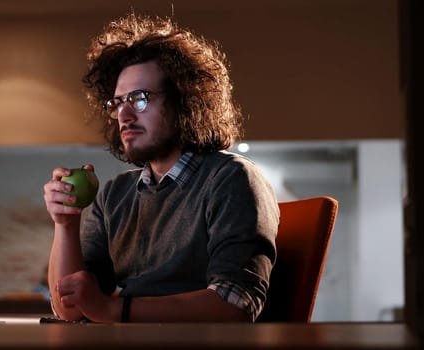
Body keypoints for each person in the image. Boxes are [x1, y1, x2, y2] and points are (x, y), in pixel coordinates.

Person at [43, 12, 279, 323]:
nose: (124, 115)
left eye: (139, 98)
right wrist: (65, 224)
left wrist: (114, 310)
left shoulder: (230, 178)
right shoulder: (115, 195)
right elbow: (71, 308)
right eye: (117, 103)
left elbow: (236, 303)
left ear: (185, 102)